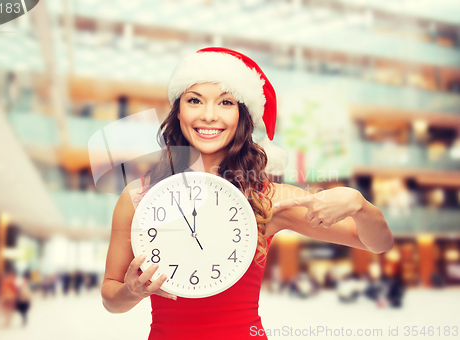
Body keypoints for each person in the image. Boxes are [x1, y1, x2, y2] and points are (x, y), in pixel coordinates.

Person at [101, 47, 394, 339]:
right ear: (178, 111)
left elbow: (378, 243)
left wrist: (360, 205)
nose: (209, 115)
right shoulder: (140, 197)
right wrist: (131, 291)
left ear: (243, 116)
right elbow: (110, 298)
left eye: (225, 102)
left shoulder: (266, 198)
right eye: (194, 100)